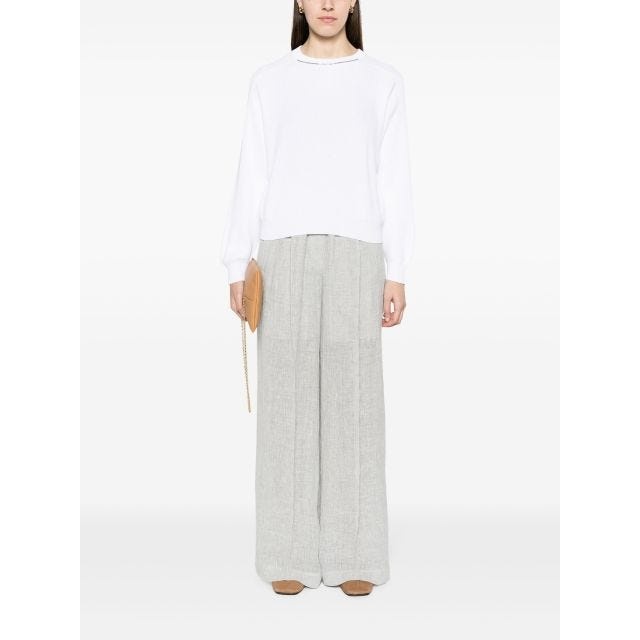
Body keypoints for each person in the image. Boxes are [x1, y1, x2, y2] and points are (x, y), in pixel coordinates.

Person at [220, 0, 415, 597]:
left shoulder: (382, 81)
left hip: (358, 252)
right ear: (298, 1)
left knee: (355, 405)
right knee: (286, 406)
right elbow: (251, 172)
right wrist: (237, 260)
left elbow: (394, 179)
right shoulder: (270, 81)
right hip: (282, 251)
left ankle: (356, 553)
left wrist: (397, 271)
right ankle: (287, 552)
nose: (327, 3)